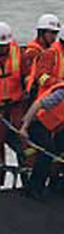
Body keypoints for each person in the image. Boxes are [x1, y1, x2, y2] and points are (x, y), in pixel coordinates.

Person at [0, 22, 28, 171]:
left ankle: (27, 177)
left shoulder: (18, 53)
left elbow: (26, 74)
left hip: (16, 106)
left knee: (23, 143)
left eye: (4, 45)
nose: (2, 48)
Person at [32, 21, 64, 96]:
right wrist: (61, 82)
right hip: (48, 98)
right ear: (63, 41)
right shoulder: (51, 54)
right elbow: (41, 78)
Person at [23, 14, 61, 89]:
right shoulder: (32, 53)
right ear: (41, 32)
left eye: (56, 33)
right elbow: (29, 78)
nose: (54, 37)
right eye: (51, 33)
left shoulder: (53, 51)